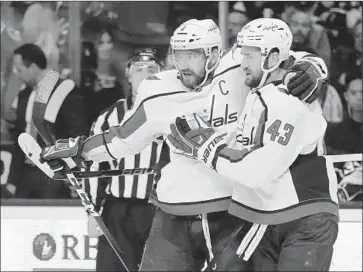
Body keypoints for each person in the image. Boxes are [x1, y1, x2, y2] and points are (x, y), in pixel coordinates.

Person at [38, 19, 328, 271]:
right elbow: (122, 138)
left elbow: (283, 56)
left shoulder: (240, 70)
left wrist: (312, 67)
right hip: (174, 213)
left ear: (214, 54)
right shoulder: (158, 91)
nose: (183, 64)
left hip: (233, 212)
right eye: (178, 54)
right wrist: (81, 152)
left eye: (192, 55)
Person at [167, 18, 339, 271]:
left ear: (272, 58)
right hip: (265, 213)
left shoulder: (288, 102)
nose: (242, 64)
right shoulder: (258, 93)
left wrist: (206, 148)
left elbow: (258, 170)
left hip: (304, 214)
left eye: (249, 57)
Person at [84, 49, 166, 271]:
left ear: (162, 74)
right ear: (128, 75)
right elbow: (93, 164)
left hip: (160, 211)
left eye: (152, 69)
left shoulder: (173, 112)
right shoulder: (108, 117)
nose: (145, 74)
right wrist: (92, 211)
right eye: (138, 69)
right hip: (118, 211)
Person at [9, 43, 89, 199]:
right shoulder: (24, 95)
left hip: (54, 176)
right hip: (25, 175)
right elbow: (19, 138)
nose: (16, 74)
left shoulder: (66, 90)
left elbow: (78, 134)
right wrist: (12, 179)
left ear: (32, 67)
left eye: (19, 69)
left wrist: (75, 175)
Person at [325, 72, 362, 155]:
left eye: (362, 92)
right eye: (353, 93)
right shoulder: (336, 130)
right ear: (346, 96)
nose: (359, 97)